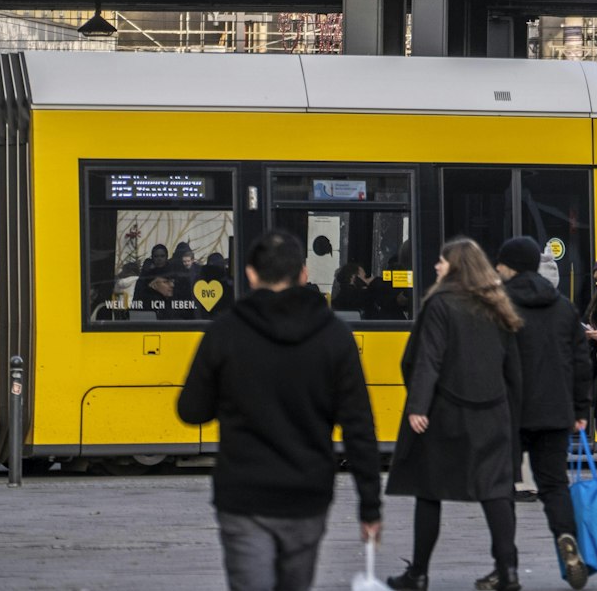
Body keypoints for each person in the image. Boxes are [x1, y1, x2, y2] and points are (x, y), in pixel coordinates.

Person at [177, 229, 380, 591]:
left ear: (251, 275)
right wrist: (369, 508)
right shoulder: (334, 336)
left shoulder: (225, 332)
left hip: (243, 493)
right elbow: (359, 426)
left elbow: (192, 410)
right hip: (306, 494)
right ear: (303, 273)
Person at [385, 238, 525, 591]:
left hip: (445, 411)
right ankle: (507, 571)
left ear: (457, 267)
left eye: (442, 262)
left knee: (428, 490)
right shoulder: (497, 305)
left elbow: (426, 358)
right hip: (493, 411)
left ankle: (418, 573)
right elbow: (513, 369)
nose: (437, 266)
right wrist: (513, 412)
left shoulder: (440, 304)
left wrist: (418, 405)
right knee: (496, 492)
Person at [493, 236, 592, 590]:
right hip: (554, 410)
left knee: (500, 489)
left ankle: (506, 567)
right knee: (554, 485)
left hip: (507, 410)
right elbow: (581, 363)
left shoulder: (497, 303)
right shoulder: (563, 307)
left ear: (508, 265)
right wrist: (580, 409)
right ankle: (567, 541)